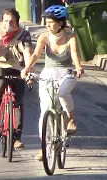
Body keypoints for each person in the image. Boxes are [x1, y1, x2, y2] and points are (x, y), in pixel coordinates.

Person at [21, 5, 84, 160]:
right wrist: (27, 68)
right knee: (45, 112)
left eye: (51, 22)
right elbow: (35, 55)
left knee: (63, 93)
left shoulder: (70, 37)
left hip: (67, 72)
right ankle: (45, 147)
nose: (47, 25)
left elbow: (75, 54)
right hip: (48, 73)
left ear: (61, 23)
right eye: (46, 22)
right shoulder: (44, 37)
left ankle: (71, 119)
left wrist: (78, 67)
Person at [0, 8, 32, 149]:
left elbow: (27, 53)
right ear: (1, 21)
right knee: (0, 82)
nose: (8, 24)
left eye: (12, 21)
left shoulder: (24, 34)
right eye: (5, 21)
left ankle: (16, 137)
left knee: (17, 101)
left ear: (17, 22)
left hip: (17, 65)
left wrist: (27, 71)